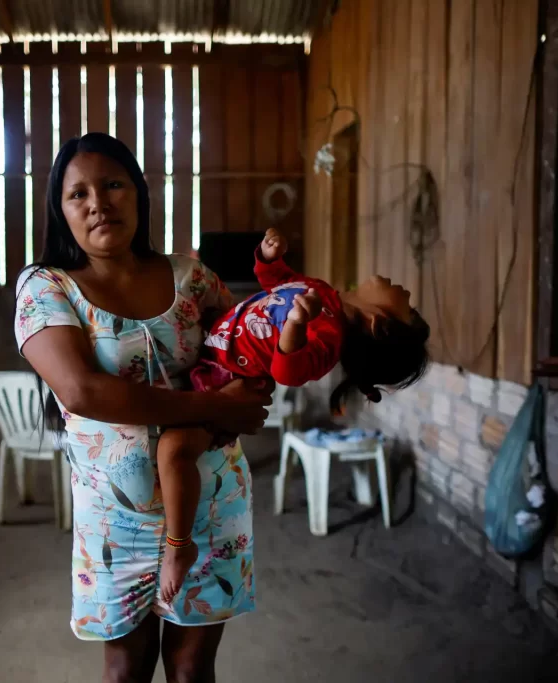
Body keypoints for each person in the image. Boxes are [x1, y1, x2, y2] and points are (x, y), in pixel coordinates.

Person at [15, 133, 272, 683]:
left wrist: (256, 383)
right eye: (77, 194)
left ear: (139, 194)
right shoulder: (46, 287)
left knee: (191, 669)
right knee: (125, 670)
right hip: (115, 524)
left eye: (112, 185)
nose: (98, 203)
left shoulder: (192, 278)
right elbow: (82, 391)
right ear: (60, 212)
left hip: (212, 504)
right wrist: (211, 406)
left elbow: (249, 350)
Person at [156, 227, 431, 602]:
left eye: (409, 308)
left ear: (379, 323)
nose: (408, 293)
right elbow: (278, 282)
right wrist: (271, 258)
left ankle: (179, 543)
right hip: (214, 351)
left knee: (174, 450)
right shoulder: (325, 294)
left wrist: (296, 327)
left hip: (224, 381)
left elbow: (288, 372)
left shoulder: (329, 338)